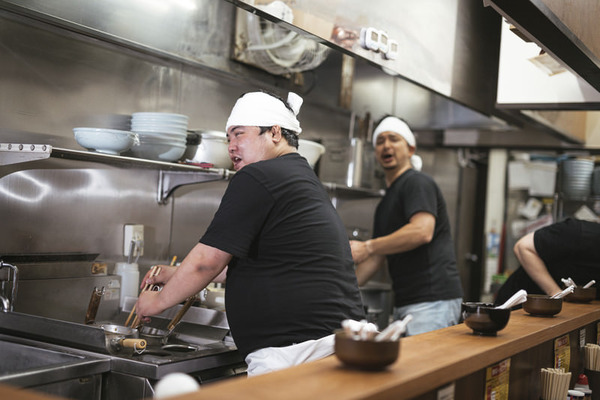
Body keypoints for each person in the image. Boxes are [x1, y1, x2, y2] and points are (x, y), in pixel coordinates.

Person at [134, 90, 365, 376]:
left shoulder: (258, 176)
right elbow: (267, 265)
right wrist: (175, 274)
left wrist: (156, 301)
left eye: (239, 134)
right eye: (228, 137)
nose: (231, 146)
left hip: (295, 353)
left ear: (275, 133)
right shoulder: (299, 177)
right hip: (329, 344)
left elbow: (209, 260)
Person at [350, 116, 463, 336]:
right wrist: (342, 292)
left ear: (411, 149)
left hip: (432, 301)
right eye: (380, 141)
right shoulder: (385, 202)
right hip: (408, 302)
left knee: (425, 369)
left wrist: (368, 246)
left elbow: (422, 231)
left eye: (394, 139)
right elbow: (375, 258)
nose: (386, 145)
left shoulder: (417, 183)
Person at [494, 217, 600, 305]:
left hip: (567, 312)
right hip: (521, 303)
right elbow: (522, 247)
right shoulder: (580, 232)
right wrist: (556, 293)